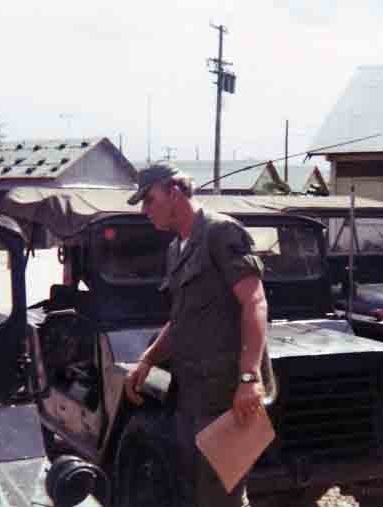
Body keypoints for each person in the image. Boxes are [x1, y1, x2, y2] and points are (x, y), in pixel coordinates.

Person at [124, 162, 270, 507]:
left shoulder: (220, 233)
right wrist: (148, 360)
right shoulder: (177, 249)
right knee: (193, 490)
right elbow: (181, 320)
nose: (146, 211)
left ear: (173, 193)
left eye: (149, 200)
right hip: (191, 393)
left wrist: (249, 377)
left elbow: (255, 301)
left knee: (223, 495)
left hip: (227, 395)